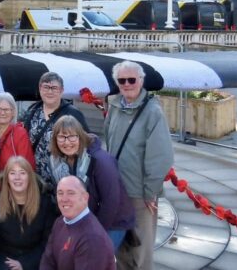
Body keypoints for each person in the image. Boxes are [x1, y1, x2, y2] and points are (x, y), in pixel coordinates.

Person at [103, 60, 173, 270]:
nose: (127, 84)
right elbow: (108, 142)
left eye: (131, 79)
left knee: (141, 249)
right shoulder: (114, 106)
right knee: (122, 246)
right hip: (117, 190)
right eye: (122, 80)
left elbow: (161, 156)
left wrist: (150, 192)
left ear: (141, 81)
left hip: (140, 193)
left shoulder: (152, 111)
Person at [47, 116, 134, 250]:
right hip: (84, 219)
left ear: (80, 136)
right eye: (62, 137)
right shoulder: (59, 161)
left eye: (72, 137)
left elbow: (111, 202)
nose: (67, 142)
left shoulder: (100, 161)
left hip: (111, 221)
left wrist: (95, 235)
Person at [0, 156, 55, 270]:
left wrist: (25, 263)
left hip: (34, 259)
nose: (17, 178)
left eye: (22, 173)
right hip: (2, 258)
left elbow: (48, 242)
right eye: (12, 173)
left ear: (30, 177)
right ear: (7, 178)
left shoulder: (45, 204)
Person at [20, 72, 90, 184]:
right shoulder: (32, 112)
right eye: (46, 87)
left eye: (54, 88)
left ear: (62, 90)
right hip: (36, 180)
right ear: (40, 89)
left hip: (64, 179)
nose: (50, 91)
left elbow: (87, 143)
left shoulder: (73, 114)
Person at [41, 176, 116, 270]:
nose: (64, 199)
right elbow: (48, 260)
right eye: (60, 193)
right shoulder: (60, 222)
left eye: (71, 193)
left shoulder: (92, 239)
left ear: (85, 198)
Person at [0, 92, 35, 196]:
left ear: (13, 112)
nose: (2, 113)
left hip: (11, 190)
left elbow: (26, 165)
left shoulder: (19, 133)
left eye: (6, 109)